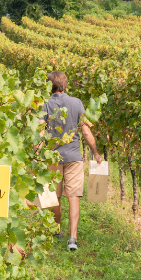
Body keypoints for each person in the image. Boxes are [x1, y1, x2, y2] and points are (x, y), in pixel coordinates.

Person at [41, 71, 102, 252]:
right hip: (74, 157)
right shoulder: (77, 103)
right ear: (65, 85)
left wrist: (36, 152)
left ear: (49, 86)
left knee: (55, 196)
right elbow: (85, 132)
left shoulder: (45, 105)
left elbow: (39, 132)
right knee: (73, 196)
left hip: (52, 157)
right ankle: (72, 238)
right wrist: (96, 153)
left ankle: (56, 230)